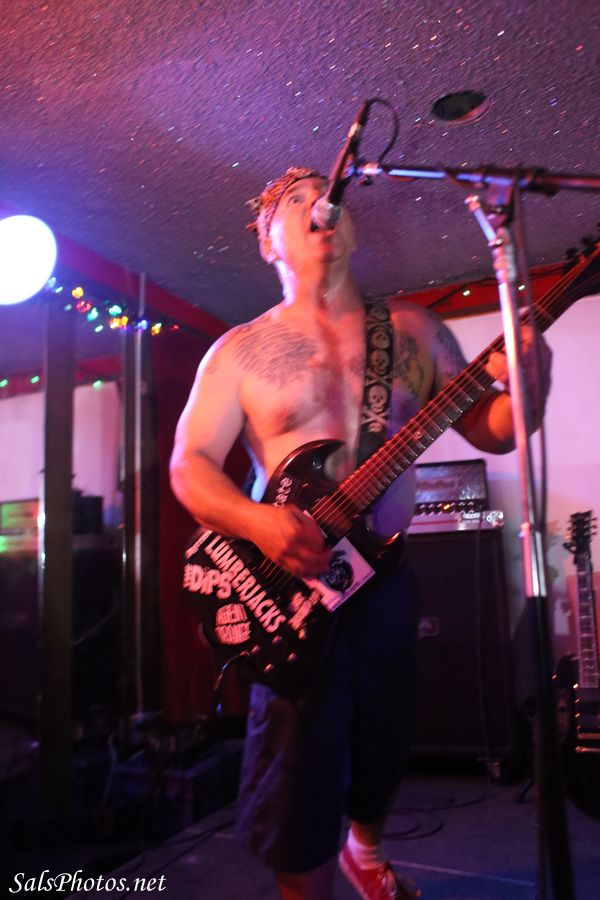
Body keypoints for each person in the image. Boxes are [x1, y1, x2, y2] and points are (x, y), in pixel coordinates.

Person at [169, 166, 552, 900]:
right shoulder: (239, 352)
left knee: (386, 735)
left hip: (387, 579)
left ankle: (365, 850)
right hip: (289, 588)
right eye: (297, 199)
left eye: (328, 194)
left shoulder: (411, 329)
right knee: (298, 783)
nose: (322, 204)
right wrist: (259, 522)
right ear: (267, 241)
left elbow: (495, 428)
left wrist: (532, 381)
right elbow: (189, 467)